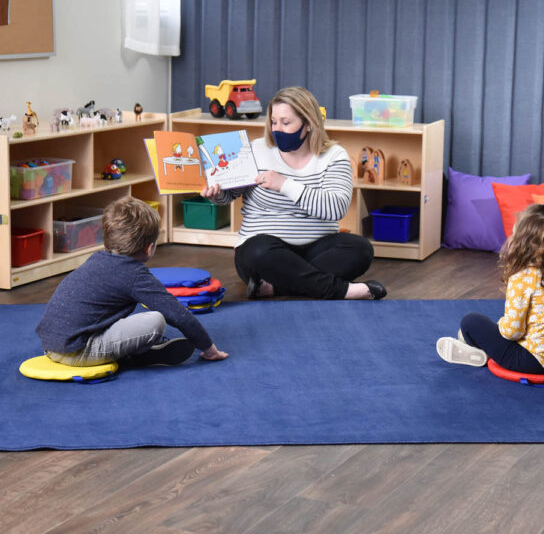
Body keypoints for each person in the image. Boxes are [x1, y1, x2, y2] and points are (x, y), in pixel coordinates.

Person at [202, 86, 386, 300]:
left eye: (286, 123)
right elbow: (230, 194)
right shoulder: (255, 150)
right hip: (265, 250)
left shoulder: (334, 156)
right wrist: (217, 194)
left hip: (317, 249)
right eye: (273, 122)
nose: (277, 129)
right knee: (257, 251)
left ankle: (279, 287)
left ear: (308, 123)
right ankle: (342, 290)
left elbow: (335, 209)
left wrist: (285, 185)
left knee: (360, 249)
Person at [36, 196, 228, 367]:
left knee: (123, 315)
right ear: (149, 248)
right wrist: (209, 349)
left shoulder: (97, 258)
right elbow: (177, 314)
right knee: (155, 321)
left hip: (50, 345)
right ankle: (135, 353)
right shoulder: (133, 274)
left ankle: (136, 351)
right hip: (77, 352)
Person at [437, 203, 544, 377]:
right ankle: (481, 346)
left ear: (523, 244)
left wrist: (500, 325)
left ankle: (481, 353)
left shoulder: (523, 277)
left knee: (471, 323)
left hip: (531, 363)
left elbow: (512, 332)